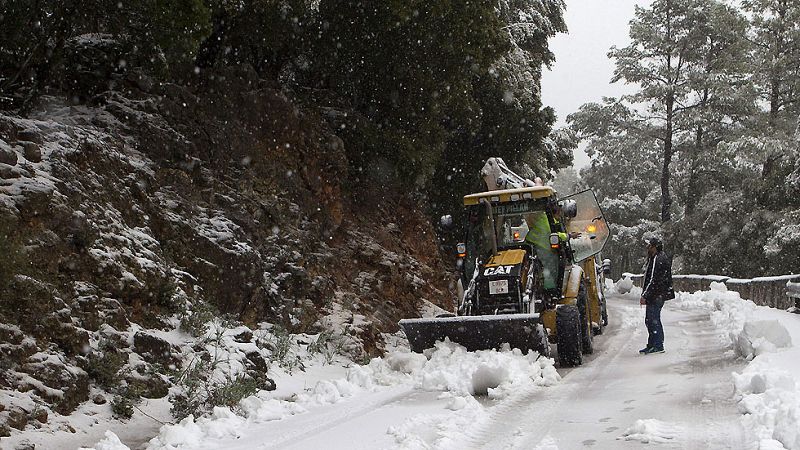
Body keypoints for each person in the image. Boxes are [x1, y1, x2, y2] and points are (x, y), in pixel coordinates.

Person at [639, 237, 673, 354]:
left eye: (650, 246)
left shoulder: (657, 259)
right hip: (657, 294)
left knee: (653, 319)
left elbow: (653, 279)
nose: (648, 248)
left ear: (654, 247)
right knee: (650, 319)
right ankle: (652, 344)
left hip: (656, 295)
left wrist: (645, 295)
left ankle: (657, 345)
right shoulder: (657, 258)